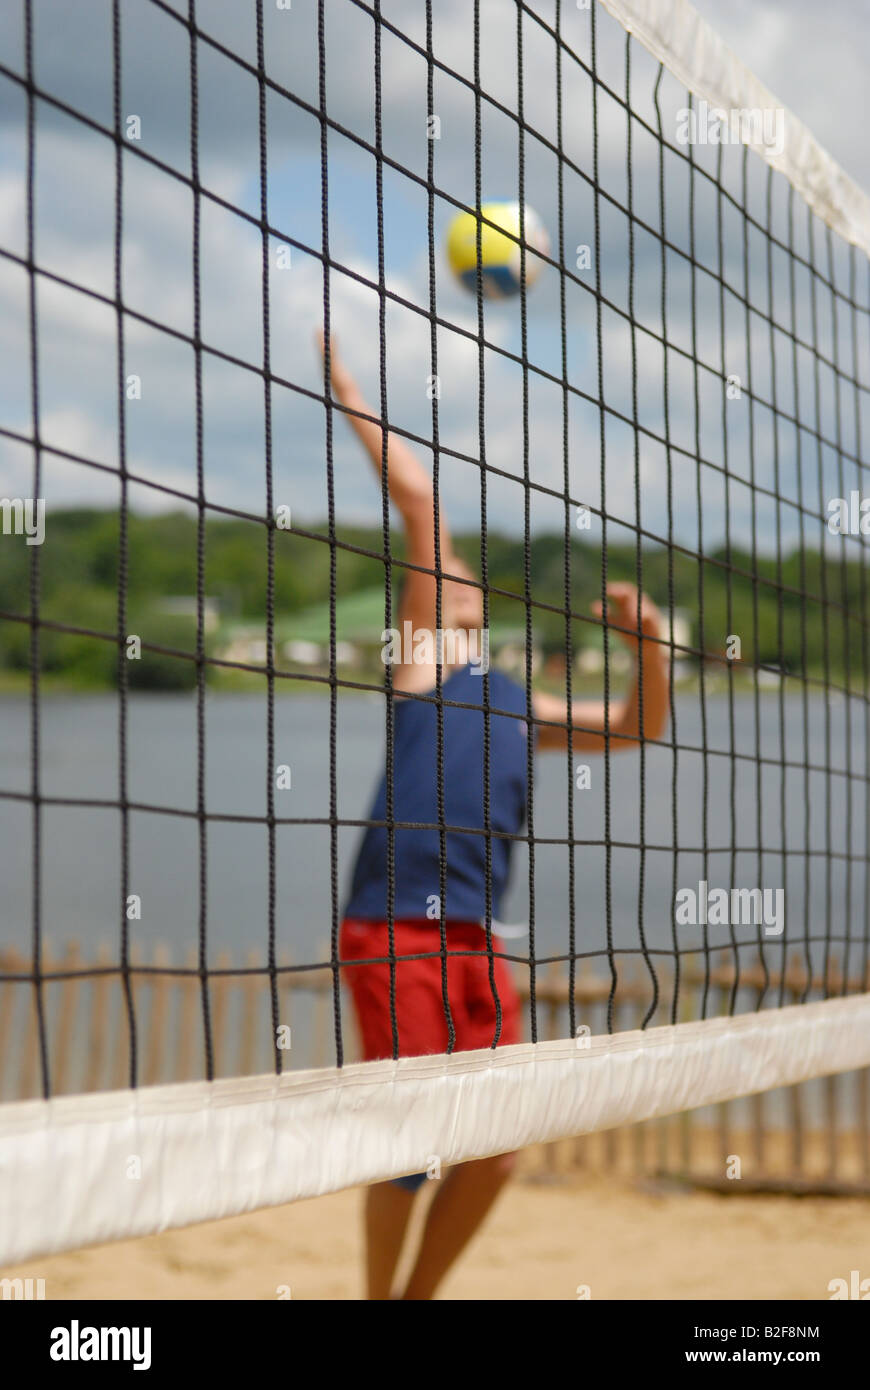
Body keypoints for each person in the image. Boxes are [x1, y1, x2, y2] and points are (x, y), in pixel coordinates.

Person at [318, 332, 670, 1300]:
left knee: (496, 1149)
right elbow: (421, 504)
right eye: (443, 571)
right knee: (408, 1149)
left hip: (474, 934)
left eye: (462, 569)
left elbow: (635, 728)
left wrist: (647, 645)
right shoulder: (421, 666)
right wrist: (347, 390)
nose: (453, 571)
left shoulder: (516, 701)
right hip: (392, 927)